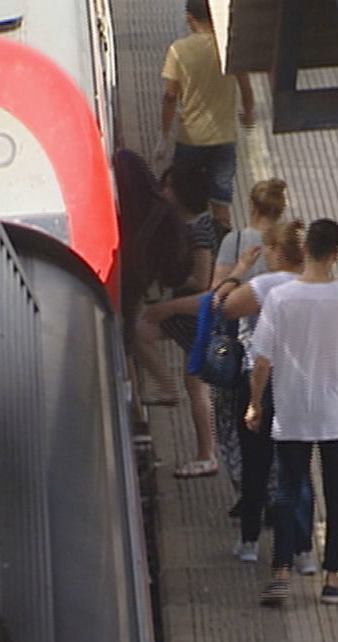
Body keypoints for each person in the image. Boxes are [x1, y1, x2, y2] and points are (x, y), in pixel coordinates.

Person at [247, 219, 338, 606]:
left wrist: (255, 403)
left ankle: (282, 573)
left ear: (304, 251)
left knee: (287, 491)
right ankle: (332, 577)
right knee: (337, 497)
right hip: (334, 414)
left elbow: (261, 362)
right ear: (336, 254)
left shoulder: (280, 298)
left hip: (291, 411)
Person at [143, 178, 289, 487]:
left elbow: (215, 299)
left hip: (240, 352)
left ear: (251, 206)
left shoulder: (237, 242)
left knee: (233, 422)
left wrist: (170, 308)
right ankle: (277, 488)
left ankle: (244, 484)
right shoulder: (289, 246)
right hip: (284, 354)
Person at [212, 221, 316, 575]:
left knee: (256, 463)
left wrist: (239, 270)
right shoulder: (318, 287)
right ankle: (303, 549)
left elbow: (221, 305)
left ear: (275, 252)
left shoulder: (265, 285)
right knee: (298, 470)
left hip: (261, 381)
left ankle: (250, 542)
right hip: (301, 384)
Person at [134, 160, 225, 478]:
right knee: (194, 383)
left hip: (193, 312)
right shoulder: (194, 225)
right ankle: (205, 452)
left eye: (169, 187)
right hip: (191, 312)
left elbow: (201, 280)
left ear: (183, 193)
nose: (163, 191)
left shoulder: (198, 231)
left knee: (195, 384)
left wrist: (170, 284)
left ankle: (206, 455)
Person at [156, 0, 255, 229]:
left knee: (181, 196)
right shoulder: (229, 45)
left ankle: (185, 240)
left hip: (190, 138)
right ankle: (221, 242)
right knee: (221, 200)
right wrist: (248, 114)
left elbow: (170, 95)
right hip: (224, 138)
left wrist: (164, 134)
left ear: (189, 19)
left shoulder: (178, 51)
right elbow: (246, 87)